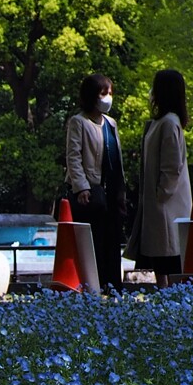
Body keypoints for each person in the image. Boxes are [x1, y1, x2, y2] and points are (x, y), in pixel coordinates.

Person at [125, 69, 192, 289]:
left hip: (166, 203)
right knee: (161, 253)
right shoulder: (162, 123)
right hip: (159, 202)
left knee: (168, 251)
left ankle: (168, 293)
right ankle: (165, 292)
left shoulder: (169, 123)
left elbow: (172, 167)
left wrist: (160, 194)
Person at [65, 73, 127, 290]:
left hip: (113, 191)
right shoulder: (78, 122)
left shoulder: (111, 123)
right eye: (103, 93)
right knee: (96, 240)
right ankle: (95, 284)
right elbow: (73, 156)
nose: (108, 98)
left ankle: (114, 285)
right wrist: (81, 186)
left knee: (113, 239)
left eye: (110, 93)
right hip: (91, 191)